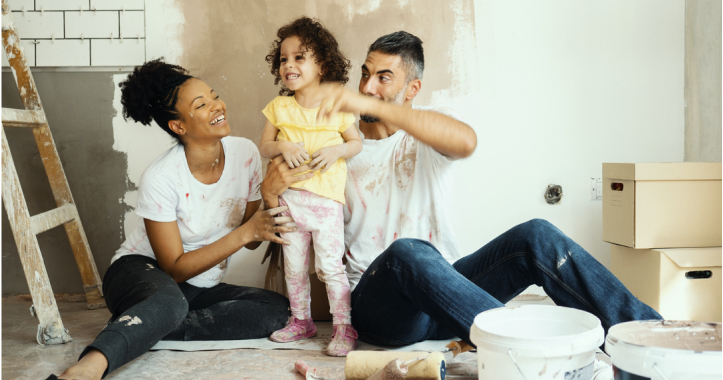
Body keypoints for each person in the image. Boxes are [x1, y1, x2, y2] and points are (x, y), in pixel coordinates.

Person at [308, 31, 663, 347]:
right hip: (383, 307)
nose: (368, 87)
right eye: (365, 75)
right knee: (408, 253)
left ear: (412, 89)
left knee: (536, 235)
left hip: (447, 299)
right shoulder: (337, 149)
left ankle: (648, 337)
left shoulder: (426, 130)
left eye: (384, 78)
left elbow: (465, 141)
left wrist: (371, 105)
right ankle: (533, 349)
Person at [48, 59, 314, 380]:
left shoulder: (244, 154)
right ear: (179, 126)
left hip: (199, 285)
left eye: (214, 96)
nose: (218, 106)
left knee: (280, 311)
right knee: (170, 301)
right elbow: (174, 267)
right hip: (141, 271)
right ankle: (88, 367)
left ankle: (141, 324)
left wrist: (269, 198)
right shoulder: (161, 177)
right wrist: (248, 231)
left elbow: (255, 237)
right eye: (202, 105)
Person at [259, 16, 362, 356]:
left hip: (326, 203)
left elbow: (355, 143)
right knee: (294, 267)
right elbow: (265, 146)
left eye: (299, 57)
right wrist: (284, 146)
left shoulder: (338, 103)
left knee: (330, 267)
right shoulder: (279, 107)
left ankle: (344, 328)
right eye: (284, 59)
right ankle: (300, 320)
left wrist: (336, 150)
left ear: (322, 63)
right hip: (290, 202)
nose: (289, 64)